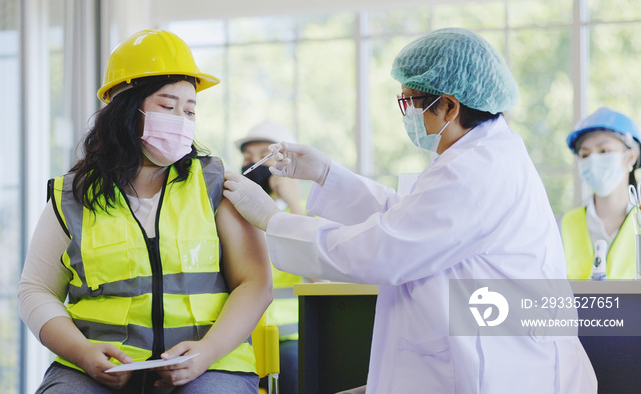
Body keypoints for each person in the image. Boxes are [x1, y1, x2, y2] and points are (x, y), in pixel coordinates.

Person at [222, 27, 597, 393]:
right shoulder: (477, 155)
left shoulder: (473, 172)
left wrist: (274, 222)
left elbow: (384, 249)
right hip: (485, 354)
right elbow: (403, 215)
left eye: (409, 102)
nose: (406, 115)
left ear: (449, 105)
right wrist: (325, 174)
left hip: (502, 368)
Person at [18, 29, 272, 393]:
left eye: (190, 109)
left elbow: (256, 283)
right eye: (167, 107)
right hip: (94, 370)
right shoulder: (71, 196)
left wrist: (206, 352)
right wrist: (83, 352)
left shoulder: (216, 184)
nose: (181, 120)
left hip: (212, 365)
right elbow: (35, 291)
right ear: (125, 110)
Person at [235, 120, 305, 394]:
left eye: (262, 155)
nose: (252, 163)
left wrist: (294, 202)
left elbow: (320, 275)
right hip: (243, 332)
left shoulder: (306, 216)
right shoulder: (235, 215)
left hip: (290, 338)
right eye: (247, 157)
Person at [561, 108, 641, 280]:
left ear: (631, 158)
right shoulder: (564, 225)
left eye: (604, 151)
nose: (593, 160)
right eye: (585, 154)